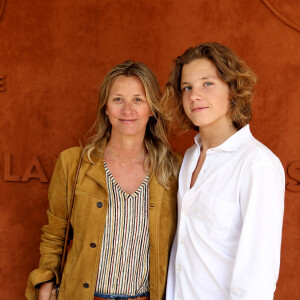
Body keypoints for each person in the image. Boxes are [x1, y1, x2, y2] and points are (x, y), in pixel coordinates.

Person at [25, 60, 180, 300]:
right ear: (105, 108)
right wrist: (46, 282)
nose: (127, 110)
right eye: (118, 99)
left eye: (138, 99)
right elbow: (55, 234)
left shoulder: (174, 170)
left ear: (152, 109)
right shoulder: (73, 163)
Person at [164, 42, 285, 300]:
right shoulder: (188, 159)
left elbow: (258, 271)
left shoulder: (257, 164)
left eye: (207, 83)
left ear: (232, 89)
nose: (194, 95)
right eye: (187, 87)